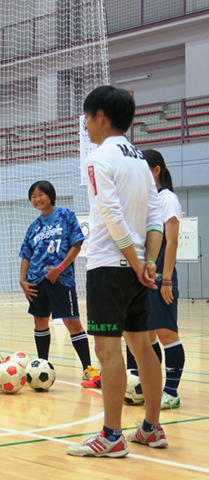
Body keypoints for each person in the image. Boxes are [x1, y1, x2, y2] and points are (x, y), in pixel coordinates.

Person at [67, 86, 167, 458]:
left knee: (108, 351)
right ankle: (151, 428)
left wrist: (136, 261)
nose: (86, 126)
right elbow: (154, 217)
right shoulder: (141, 161)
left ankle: (111, 436)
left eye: (87, 118)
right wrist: (149, 262)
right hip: (139, 270)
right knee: (142, 347)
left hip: (110, 267)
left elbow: (111, 216)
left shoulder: (97, 158)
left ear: (101, 117)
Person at [19, 180, 99, 384]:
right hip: (36, 280)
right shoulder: (34, 226)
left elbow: (77, 244)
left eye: (41, 194)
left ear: (50, 195)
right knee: (40, 322)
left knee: (72, 322)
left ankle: (87, 368)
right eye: (33, 196)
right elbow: (26, 255)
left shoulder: (65, 215)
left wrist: (60, 269)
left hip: (61, 279)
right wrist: (23, 281)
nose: (37, 199)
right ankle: (42, 365)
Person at [125, 149, 185, 410]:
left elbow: (171, 242)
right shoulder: (145, 201)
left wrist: (167, 280)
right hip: (142, 277)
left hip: (161, 276)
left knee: (166, 333)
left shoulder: (167, 199)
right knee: (145, 336)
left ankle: (171, 392)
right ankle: (148, 388)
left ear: (156, 170)